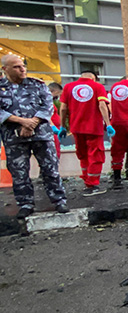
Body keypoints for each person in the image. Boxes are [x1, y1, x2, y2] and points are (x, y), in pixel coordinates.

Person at [0, 54, 68, 218]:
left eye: (23, 65)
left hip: (41, 136)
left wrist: (32, 123)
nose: (22, 69)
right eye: (16, 67)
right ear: (5, 69)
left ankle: (59, 200)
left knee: (50, 169)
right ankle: (25, 204)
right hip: (14, 138)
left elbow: (48, 106)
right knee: (19, 173)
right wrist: (21, 121)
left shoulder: (36, 84)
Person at [60, 70, 114, 196]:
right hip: (93, 128)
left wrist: (62, 126)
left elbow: (63, 108)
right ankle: (92, 185)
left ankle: (86, 181)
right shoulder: (97, 86)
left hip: (76, 128)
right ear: (94, 78)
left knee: (83, 155)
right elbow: (102, 105)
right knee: (96, 155)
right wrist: (108, 124)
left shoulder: (68, 87)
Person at [47, 82, 63, 158]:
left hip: (55, 130)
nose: (57, 97)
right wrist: (53, 126)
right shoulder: (45, 101)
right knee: (53, 153)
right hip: (51, 130)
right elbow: (46, 115)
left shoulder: (50, 102)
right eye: (57, 94)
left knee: (56, 152)